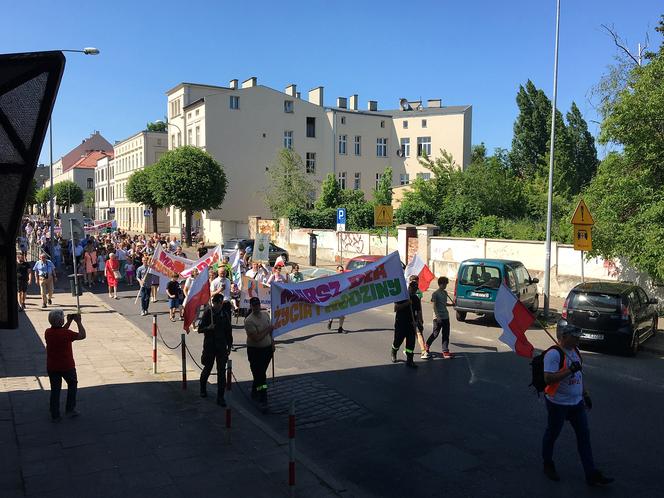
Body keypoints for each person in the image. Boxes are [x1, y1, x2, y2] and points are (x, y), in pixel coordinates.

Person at [542, 323, 614, 486]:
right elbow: (548, 378)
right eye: (575, 337)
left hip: (576, 404)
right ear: (564, 337)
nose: (578, 340)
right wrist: (569, 370)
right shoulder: (553, 354)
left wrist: (585, 394)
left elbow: (579, 376)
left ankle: (591, 473)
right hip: (558, 404)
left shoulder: (575, 351)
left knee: (584, 437)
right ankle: (548, 464)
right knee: (552, 434)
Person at [45, 310, 86, 421]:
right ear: (60, 320)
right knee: (72, 385)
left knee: (55, 390)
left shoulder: (48, 332)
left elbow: (61, 331)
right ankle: (70, 409)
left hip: (52, 366)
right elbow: (82, 335)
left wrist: (68, 322)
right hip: (66, 366)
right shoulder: (67, 334)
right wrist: (78, 322)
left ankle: (55, 414)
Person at [198, 295, 233, 406]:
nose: (217, 305)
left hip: (221, 346)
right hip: (210, 346)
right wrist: (208, 328)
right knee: (207, 368)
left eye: (218, 303)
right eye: (215, 303)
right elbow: (200, 329)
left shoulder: (225, 314)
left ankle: (220, 397)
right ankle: (203, 389)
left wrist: (229, 345)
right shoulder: (208, 313)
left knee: (221, 372)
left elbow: (228, 331)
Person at [244, 296, 274, 411]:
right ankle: (263, 395)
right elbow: (256, 338)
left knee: (259, 374)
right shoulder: (249, 321)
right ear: (251, 306)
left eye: (258, 305)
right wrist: (268, 330)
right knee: (261, 376)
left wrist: (272, 343)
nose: (256, 307)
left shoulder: (266, 315)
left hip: (267, 350)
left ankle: (255, 390)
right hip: (255, 351)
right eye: (254, 305)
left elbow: (271, 333)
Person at [391, 281, 420, 368]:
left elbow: (418, 311)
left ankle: (410, 360)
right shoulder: (401, 296)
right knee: (398, 340)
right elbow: (396, 308)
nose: (414, 291)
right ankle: (394, 351)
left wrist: (417, 321)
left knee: (411, 343)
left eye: (415, 290)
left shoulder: (416, 298)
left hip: (411, 324)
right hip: (401, 323)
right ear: (409, 288)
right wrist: (407, 303)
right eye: (413, 289)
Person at [424, 277, 453, 359]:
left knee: (446, 334)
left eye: (446, 284)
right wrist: (437, 316)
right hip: (438, 317)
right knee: (435, 333)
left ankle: (445, 351)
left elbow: (444, 303)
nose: (445, 285)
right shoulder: (435, 294)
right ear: (440, 284)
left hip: (445, 316)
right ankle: (427, 345)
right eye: (444, 284)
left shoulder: (445, 292)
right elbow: (434, 305)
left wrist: (451, 304)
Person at [328, 265, 347, 334]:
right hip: (334, 299)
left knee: (342, 314)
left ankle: (340, 327)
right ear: (337, 271)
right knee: (333, 312)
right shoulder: (333, 279)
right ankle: (330, 320)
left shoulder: (345, 278)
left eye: (342, 270)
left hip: (342, 298)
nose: (342, 271)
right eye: (340, 270)